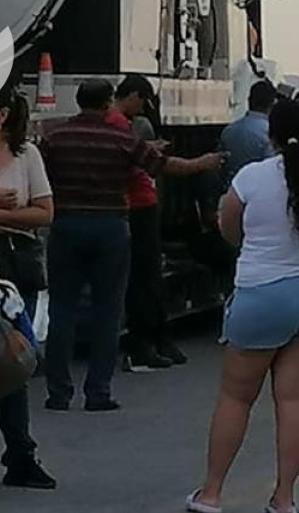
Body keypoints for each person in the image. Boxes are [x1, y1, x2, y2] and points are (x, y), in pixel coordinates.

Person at [42, 79, 223, 412]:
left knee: (62, 311)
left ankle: (58, 391)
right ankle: (98, 392)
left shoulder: (55, 137)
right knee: (108, 311)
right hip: (110, 227)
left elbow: (44, 178)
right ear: (108, 102)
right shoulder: (122, 138)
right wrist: (202, 163)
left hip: (65, 226)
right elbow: (162, 166)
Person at [188, 98, 299, 513]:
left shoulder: (253, 177)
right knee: (292, 401)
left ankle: (212, 493)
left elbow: (227, 226)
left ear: (271, 131)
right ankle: (285, 498)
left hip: (259, 292)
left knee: (236, 397)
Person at [0, 84, 57, 489]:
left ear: (2, 114)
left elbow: (44, 213)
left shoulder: (26, 157)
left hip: (14, 268)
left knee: (12, 360)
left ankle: (20, 452)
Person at [109, 74, 197, 371]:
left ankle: (155, 339)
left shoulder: (123, 125)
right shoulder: (121, 125)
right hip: (137, 205)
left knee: (147, 276)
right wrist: (200, 163)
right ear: (132, 96)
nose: (143, 108)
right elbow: (148, 163)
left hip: (140, 204)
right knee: (143, 277)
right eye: (142, 101)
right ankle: (145, 343)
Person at [219, 80, 278, 187]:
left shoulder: (228, 131)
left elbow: (220, 165)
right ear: (272, 104)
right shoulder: (270, 133)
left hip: (231, 190)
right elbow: (273, 171)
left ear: (249, 101)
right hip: (260, 191)